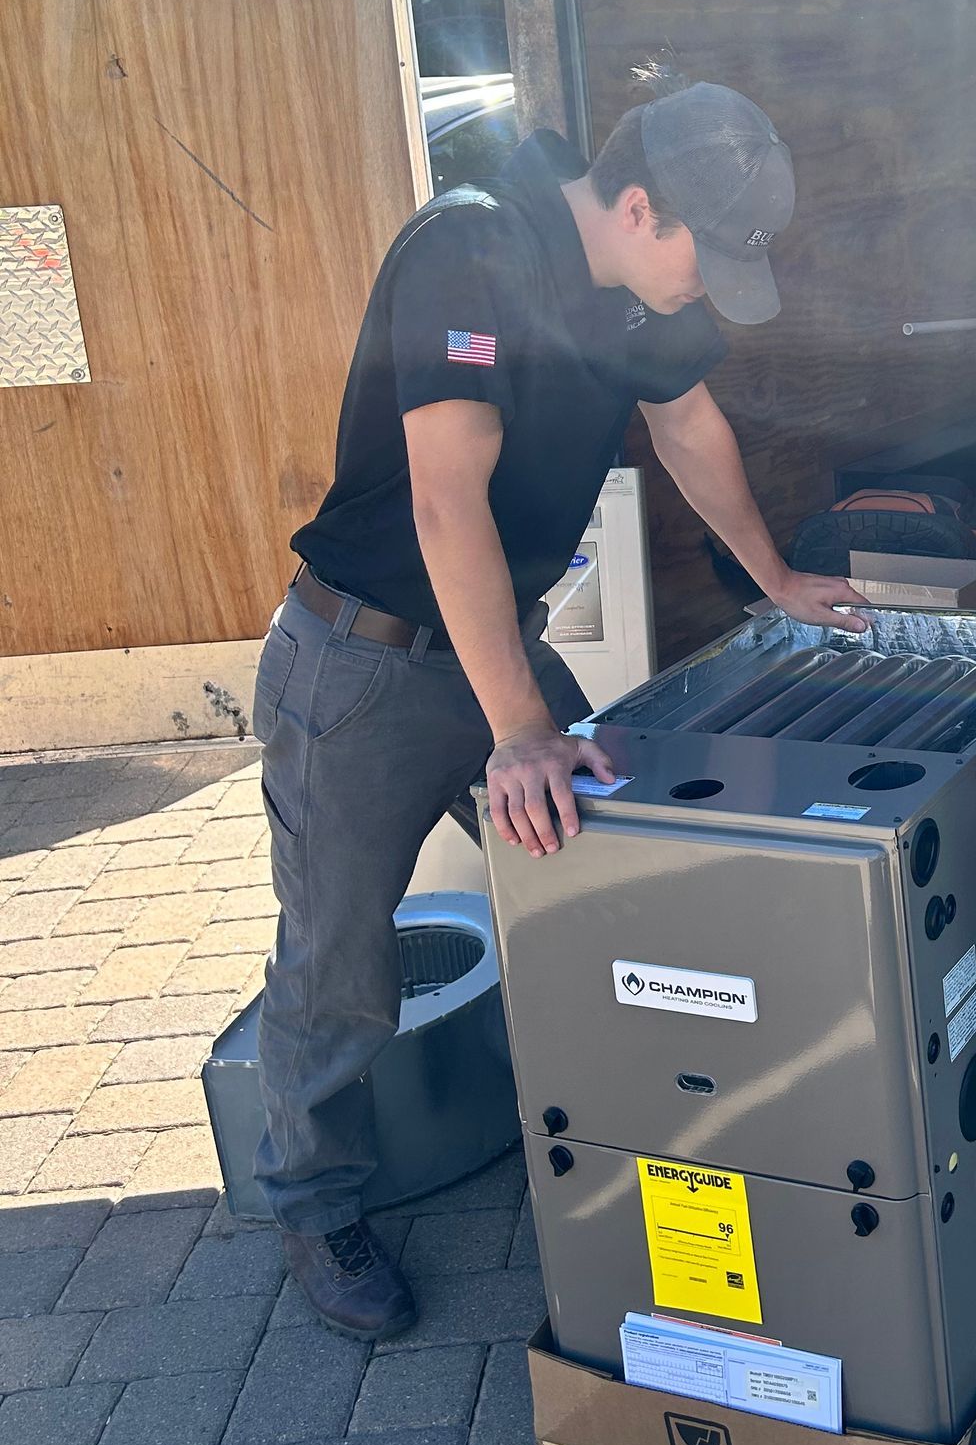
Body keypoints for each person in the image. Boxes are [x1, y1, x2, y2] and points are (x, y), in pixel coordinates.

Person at [251, 83, 867, 1338]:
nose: (705, 293)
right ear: (639, 204)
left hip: (490, 657)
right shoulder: (468, 250)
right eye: (708, 258)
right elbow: (444, 503)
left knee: (615, 886)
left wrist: (776, 577)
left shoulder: (638, 290)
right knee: (341, 959)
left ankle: (650, 1141)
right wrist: (521, 730)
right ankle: (314, 1202)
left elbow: (689, 427)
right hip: (359, 667)